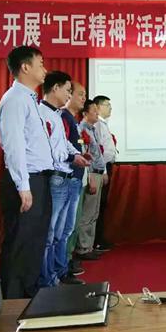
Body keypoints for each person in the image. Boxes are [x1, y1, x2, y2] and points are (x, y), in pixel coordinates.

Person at [0, 46, 53, 299]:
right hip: (25, 180)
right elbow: (14, 145)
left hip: (37, 179)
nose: (45, 70)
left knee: (34, 240)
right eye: (40, 64)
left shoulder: (29, 99)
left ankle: (28, 293)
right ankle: (13, 299)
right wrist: (23, 186)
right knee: (20, 241)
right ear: (25, 67)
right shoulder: (15, 100)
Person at [38, 71, 90, 287]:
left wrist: (76, 154)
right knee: (50, 234)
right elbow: (50, 148)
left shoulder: (56, 114)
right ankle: (47, 279)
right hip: (57, 178)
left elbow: (64, 143)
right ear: (55, 88)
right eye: (68, 91)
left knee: (62, 232)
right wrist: (72, 157)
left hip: (67, 176)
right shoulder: (41, 113)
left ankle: (59, 272)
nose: (69, 95)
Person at [62, 81, 88, 276]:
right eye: (80, 94)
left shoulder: (73, 119)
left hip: (77, 177)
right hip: (68, 177)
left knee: (72, 224)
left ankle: (67, 259)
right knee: (65, 226)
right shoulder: (63, 117)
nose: (83, 98)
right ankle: (63, 263)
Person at [76, 100, 107, 260]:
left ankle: (89, 245)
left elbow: (98, 153)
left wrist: (104, 171)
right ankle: (83, 248)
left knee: (94, 212)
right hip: (91, 173)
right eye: (94, 110)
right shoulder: (82, 130)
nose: (97, 113)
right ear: (85, 113)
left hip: (98, 172)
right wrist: (90, 177)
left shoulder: (93, 129)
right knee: (87, 212)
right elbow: (84, 155)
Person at [92, 95, 117, 252]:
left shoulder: (103, 124)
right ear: (98, 107)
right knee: (97, 206)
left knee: (101, 206)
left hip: (106, 167)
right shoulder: (98, 125)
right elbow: (98, 151)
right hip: (101, 168)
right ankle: (95, 242)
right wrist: (104, 171)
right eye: (107, 105)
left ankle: (97, 240)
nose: (110, 108)